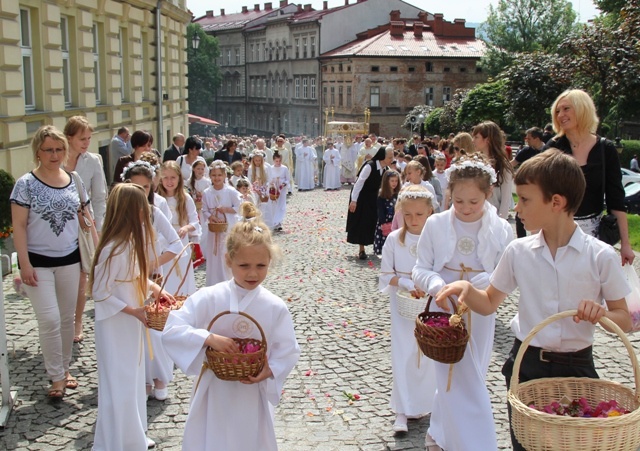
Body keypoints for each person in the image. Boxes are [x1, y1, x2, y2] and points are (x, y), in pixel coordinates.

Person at [435, 149, 632, 451]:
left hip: (577, 368)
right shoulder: (519, 252)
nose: (517, 209)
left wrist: (601, 312)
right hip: (526, 364)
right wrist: (464, 287)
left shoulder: (600, 256)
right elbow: (488, 302)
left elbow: (624, 318)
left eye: (525, 200)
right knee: (526, 445)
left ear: (556, 202)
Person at [161, 203, 301, 451]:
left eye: (261, 266)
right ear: (228, 260)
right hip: (214, 390)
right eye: (244, 266)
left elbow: (287, 350)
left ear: (270, 261)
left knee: (248, 440)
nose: (252, 274)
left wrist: (270, 370)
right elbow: (173, 328)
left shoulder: (274, 306)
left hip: (251, 391)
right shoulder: (210, 297)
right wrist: (207, 338)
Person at [412, 153, 514, 451]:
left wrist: (476, 285)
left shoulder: (501, 229)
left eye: (474, 202)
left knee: (473, 372)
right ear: (449, 195)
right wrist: (436, 285)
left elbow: (505, 273)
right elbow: (421, 267)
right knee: (450, 372)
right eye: (458, 202)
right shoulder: (436, 225)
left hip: (480, 308)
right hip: (444, 308)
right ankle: (468, 441)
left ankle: (444, 432)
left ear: (488, 194)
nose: (466, 209)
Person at [10, 125, 93, 399]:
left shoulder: (74, 179)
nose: (54, 154)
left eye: (59, 149)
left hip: (69, 260)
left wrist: (84, 220)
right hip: (37, 262)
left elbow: (83, 217)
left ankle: (65, 369)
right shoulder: (25, 184)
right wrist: (24, 263)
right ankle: (55, 376)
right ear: (38, 152)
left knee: (67, 319)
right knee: (48, 318)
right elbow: (19, 227)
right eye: (49, 149)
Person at [90, 183, 174, 450]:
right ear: (131, 210)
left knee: (135, 378)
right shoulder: (112, 248)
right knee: (120, 380)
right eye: (142, 207)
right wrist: (134, 311)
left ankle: (134, 433)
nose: (146, 212)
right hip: (116, 324)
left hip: (132, 322)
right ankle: (118, 440)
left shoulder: (130, 242)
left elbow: (137, 276)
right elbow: (100, 293)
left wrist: (157, 289)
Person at [545, 89, 634, 265]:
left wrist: (625, 243)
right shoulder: (553, 147)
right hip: (557, 232)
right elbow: (540, 191)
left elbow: (616, 198)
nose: (561, 115)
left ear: (582, 109)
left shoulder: (605, 149)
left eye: (566, 109)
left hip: (593, 235)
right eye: (557, 111)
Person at [121, 161, 182, 402]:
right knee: (134, 329)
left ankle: (159, 377)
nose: (140, 193)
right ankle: (140, 378)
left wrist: (152, 264)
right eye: (135, 187)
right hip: (126, 278)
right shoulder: (119, 213)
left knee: (155, 330)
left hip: (151, 277)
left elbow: (176, 244)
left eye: (145, 188)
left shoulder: (154, 212)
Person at [380, 185, 437, 433]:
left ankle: (428, 403)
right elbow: (385, 274)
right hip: (402, 306)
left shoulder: (435, 239)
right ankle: (402, 409)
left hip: (429, 303)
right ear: (401, 213)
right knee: (403, 353)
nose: (414, 220)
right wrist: (405, 283)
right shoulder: (394, 240)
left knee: (428, 356)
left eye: (420, 215)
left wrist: (428, 286)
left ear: (430, 213)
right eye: (408, 215)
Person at [63, 115, 108, 343]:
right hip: (60, 226)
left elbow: (100, 196)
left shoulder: (93, 160)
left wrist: (97, 228)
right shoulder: (56, 158)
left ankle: (77, 320)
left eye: (89, 138)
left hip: (85, 224)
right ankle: (63, 319)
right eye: (82, 138)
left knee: (82, 275)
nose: (86, 143)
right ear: (68, 137)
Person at [157, 161, 202, 295]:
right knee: (165, 272)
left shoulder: (185, 198)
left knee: (181, 274)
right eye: (165, 177)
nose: (169, 181)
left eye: (173, 177)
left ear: (179, 178)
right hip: (162, 241)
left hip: (180, 240)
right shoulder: (157, 198)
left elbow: (195, 221)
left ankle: (181, 299)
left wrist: (186, 228)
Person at [347, 146, 394, 260]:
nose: (391, 159)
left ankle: (376, 246)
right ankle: (361, 249)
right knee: (362, 222)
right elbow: (359, 183)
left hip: (374, 199)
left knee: (374, 222)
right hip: (362, 197)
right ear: (383, 156)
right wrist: (354, 201)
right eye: (389, 157)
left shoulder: (385, 169)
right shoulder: (370, 166)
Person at [202, 160, 242, 286]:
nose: (217, 178)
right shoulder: (207, 193)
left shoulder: (231, 191)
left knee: (225, 251)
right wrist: (211, 217)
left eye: (219, 175)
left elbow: (239, 207)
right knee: (215, 254)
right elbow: (204, 209)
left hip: (228, 226)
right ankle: (214, 281)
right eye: (214, 175)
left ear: (224, 176)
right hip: (214, 229)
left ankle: (228, 279)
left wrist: (225, 210)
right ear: (210, 176)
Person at [472, 121, 514, 219]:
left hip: (493, 218)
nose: (473, 141)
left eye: (476, 137)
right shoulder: (473, 161)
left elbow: (506, 199)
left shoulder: (502, 165)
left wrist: (500, 222)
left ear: (488, 139)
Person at [511, 127, 545, 238]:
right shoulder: (526, 151)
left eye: (529, 138)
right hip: (526, 189)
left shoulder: (548, 150)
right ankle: (521, 239)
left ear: (537, 138)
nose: (527, 140)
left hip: (542, 189)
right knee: (519, 215)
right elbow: (512, 164)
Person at [187, 159, 211, 269]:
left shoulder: (207, 182)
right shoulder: (188, 182)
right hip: (193, 208)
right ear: (193, 169)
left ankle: (204, 251)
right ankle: (195, 252)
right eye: (198, 169)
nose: (200, 171)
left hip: (203, 208)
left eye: (202, 169)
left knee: (204, 228)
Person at [373, 170, 400, 255]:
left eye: (396, 181)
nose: (394, 183)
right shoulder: (382, 195)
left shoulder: (397, 194)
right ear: (387, 181)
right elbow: (380, 210)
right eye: (392, 181)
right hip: (386, 221)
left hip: (395, 221)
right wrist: (383, 223)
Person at [248, 151, 273, 227]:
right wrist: (254, 187)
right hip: (254, 189)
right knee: (256, 205)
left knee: (264, 205)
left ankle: (265, 222)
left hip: (264, 188)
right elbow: (249, 179)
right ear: (253, 160)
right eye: (256, 160)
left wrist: (265, 186)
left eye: (259, 160)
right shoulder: (250, 168)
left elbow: (269, 179)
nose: (257, 162)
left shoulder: (265, 168)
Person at [267, 152, 290, 231]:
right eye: (276, 161)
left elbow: (288, 179)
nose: (278, 163)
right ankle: (273, 221)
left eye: (280, 161)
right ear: (273, 160)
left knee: (281, 205)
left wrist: (284, 184)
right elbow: (268, 178)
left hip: (281, 189)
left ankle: (279, 222)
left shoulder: (284, 168)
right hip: (273, 188)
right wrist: (272, 183)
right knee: (274, 204)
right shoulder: (271, 168)